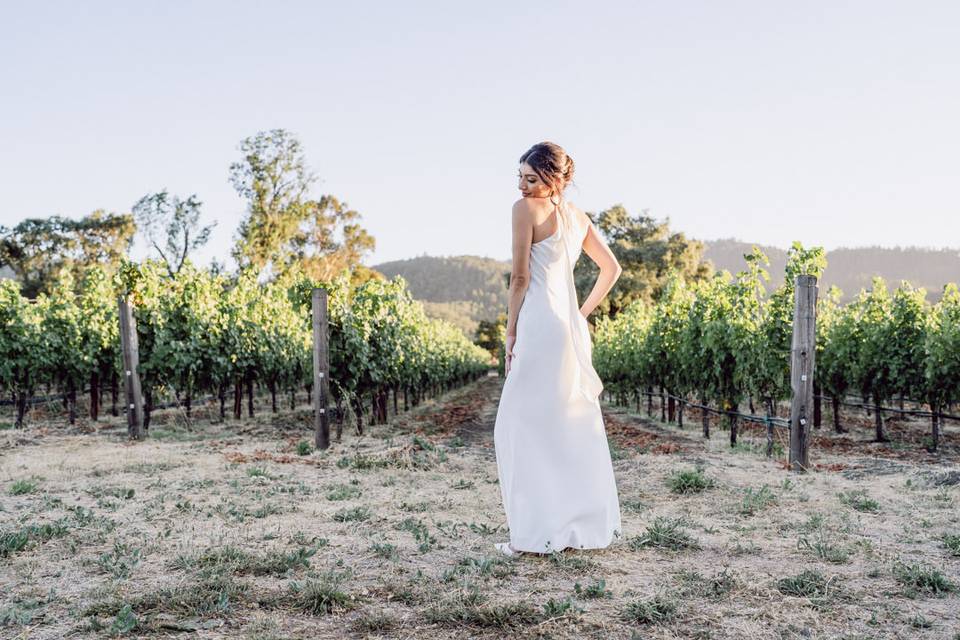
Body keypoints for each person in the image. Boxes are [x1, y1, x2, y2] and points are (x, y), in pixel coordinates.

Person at [494, 141, 624, 557]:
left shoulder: (524, 211)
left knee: (519, 425)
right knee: (566, 426)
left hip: (537, 323)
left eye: (531, 179)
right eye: (519, 177)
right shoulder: (578, 218)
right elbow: (612, 268)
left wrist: (510, 332)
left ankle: (533, 535)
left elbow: (519, 278)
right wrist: (579, 313)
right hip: (567, 329)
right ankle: (569, 527)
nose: (522, 186)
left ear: (553, 179)